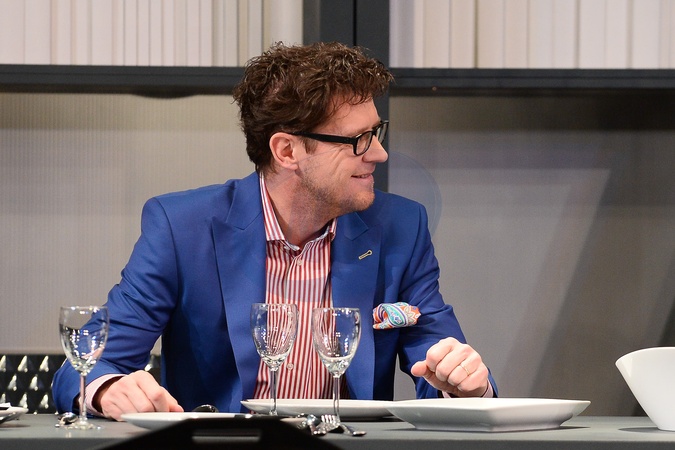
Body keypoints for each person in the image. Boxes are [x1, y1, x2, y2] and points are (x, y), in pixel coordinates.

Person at [52, 42, 497, 421]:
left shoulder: (400, 227)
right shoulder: (182, 228)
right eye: (358, 140)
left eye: (376, 132)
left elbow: (439, 361)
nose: (379, 153)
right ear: (287, 150)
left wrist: (466, 385)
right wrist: (108, 389)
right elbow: (86, 366)